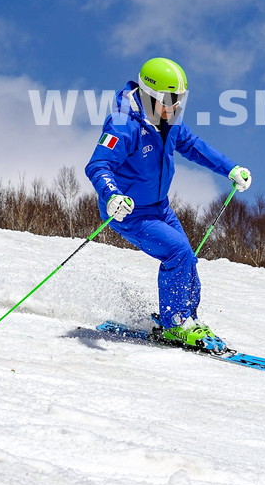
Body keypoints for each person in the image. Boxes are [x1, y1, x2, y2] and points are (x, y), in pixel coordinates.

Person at [85, 57, 252, 351]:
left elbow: (195, 146)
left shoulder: (169, 122)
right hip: (129, 211)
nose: (174, 108)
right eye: (169, 100)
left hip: (160, 207)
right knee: (177, 252)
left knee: (186, 259)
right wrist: (111, 195)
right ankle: (175, 324)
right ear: (150, 96)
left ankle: (187, 319)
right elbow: (98, 165)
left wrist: (230, 168)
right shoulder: (124, 124)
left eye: (179, 101)